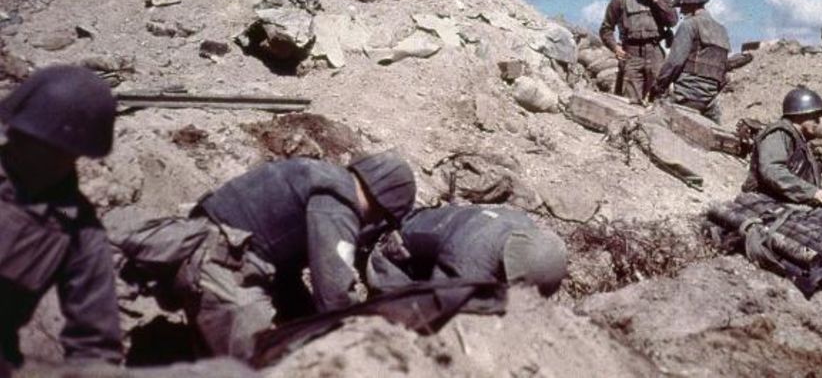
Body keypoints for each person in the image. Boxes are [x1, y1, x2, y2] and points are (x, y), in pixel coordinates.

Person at [115, 151, 417, 360]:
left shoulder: (317, 174)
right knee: (257, 364)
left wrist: (303, 317)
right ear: (382, 207)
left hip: (193, 250)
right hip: (220, 271)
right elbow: (334, 294)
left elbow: (282, 272)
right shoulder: (339, 205)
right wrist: (361, 333)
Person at [0, 65, 124, 373]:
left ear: (71, 151)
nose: (11, 139)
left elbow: (95, 347)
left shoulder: (79, 234)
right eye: (15, 131)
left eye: (29, 137)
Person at [367, 204, 568, 305]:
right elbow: (441, 306)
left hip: (443, 231)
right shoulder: (469, 262)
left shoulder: (524, 228)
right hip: (398, 253)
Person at [740, 87, 822, 231]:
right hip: (770, 203)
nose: (819, 122)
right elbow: (772, 170)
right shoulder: (779, 133)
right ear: (799, 115)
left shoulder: (800, 139)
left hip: (788, 201)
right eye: (815, 116)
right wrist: (812, 192)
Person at [598, 0, 678, 103]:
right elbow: (606, 29)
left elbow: (673, 20)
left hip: (655, 52)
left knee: (662, 100)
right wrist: (615, 47)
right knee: (629, 102)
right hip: (631, 53)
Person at [649, 0, 731, 123]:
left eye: (683, 7)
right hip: (711, 100)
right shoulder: (722, 30)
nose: (681, 12)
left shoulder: (689, 25)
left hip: (686, 96)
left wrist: (658, 87)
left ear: (691, 5)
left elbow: (674, 62)